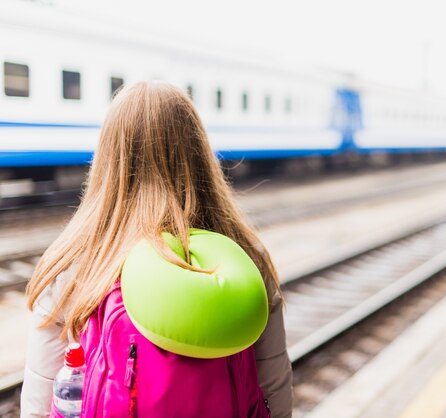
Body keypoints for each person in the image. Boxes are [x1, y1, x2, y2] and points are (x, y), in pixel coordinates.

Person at [20, 81, 293, 417]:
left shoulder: (73, 260)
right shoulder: (244, 257)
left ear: (107, 156)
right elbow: (274, 390)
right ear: (199, 153)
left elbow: (39, 403)